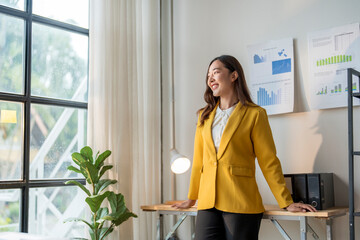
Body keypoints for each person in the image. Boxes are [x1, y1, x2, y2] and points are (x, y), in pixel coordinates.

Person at [173, 55, 316, 240]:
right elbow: (199, 163)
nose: (210, 79)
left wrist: (286, 202)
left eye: (216, 72)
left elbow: (268, 161)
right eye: (208, 75)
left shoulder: (255, 114)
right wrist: (191, 198)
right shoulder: (204, 116)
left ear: (234, 76)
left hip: (240, 201)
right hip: (207, 203)